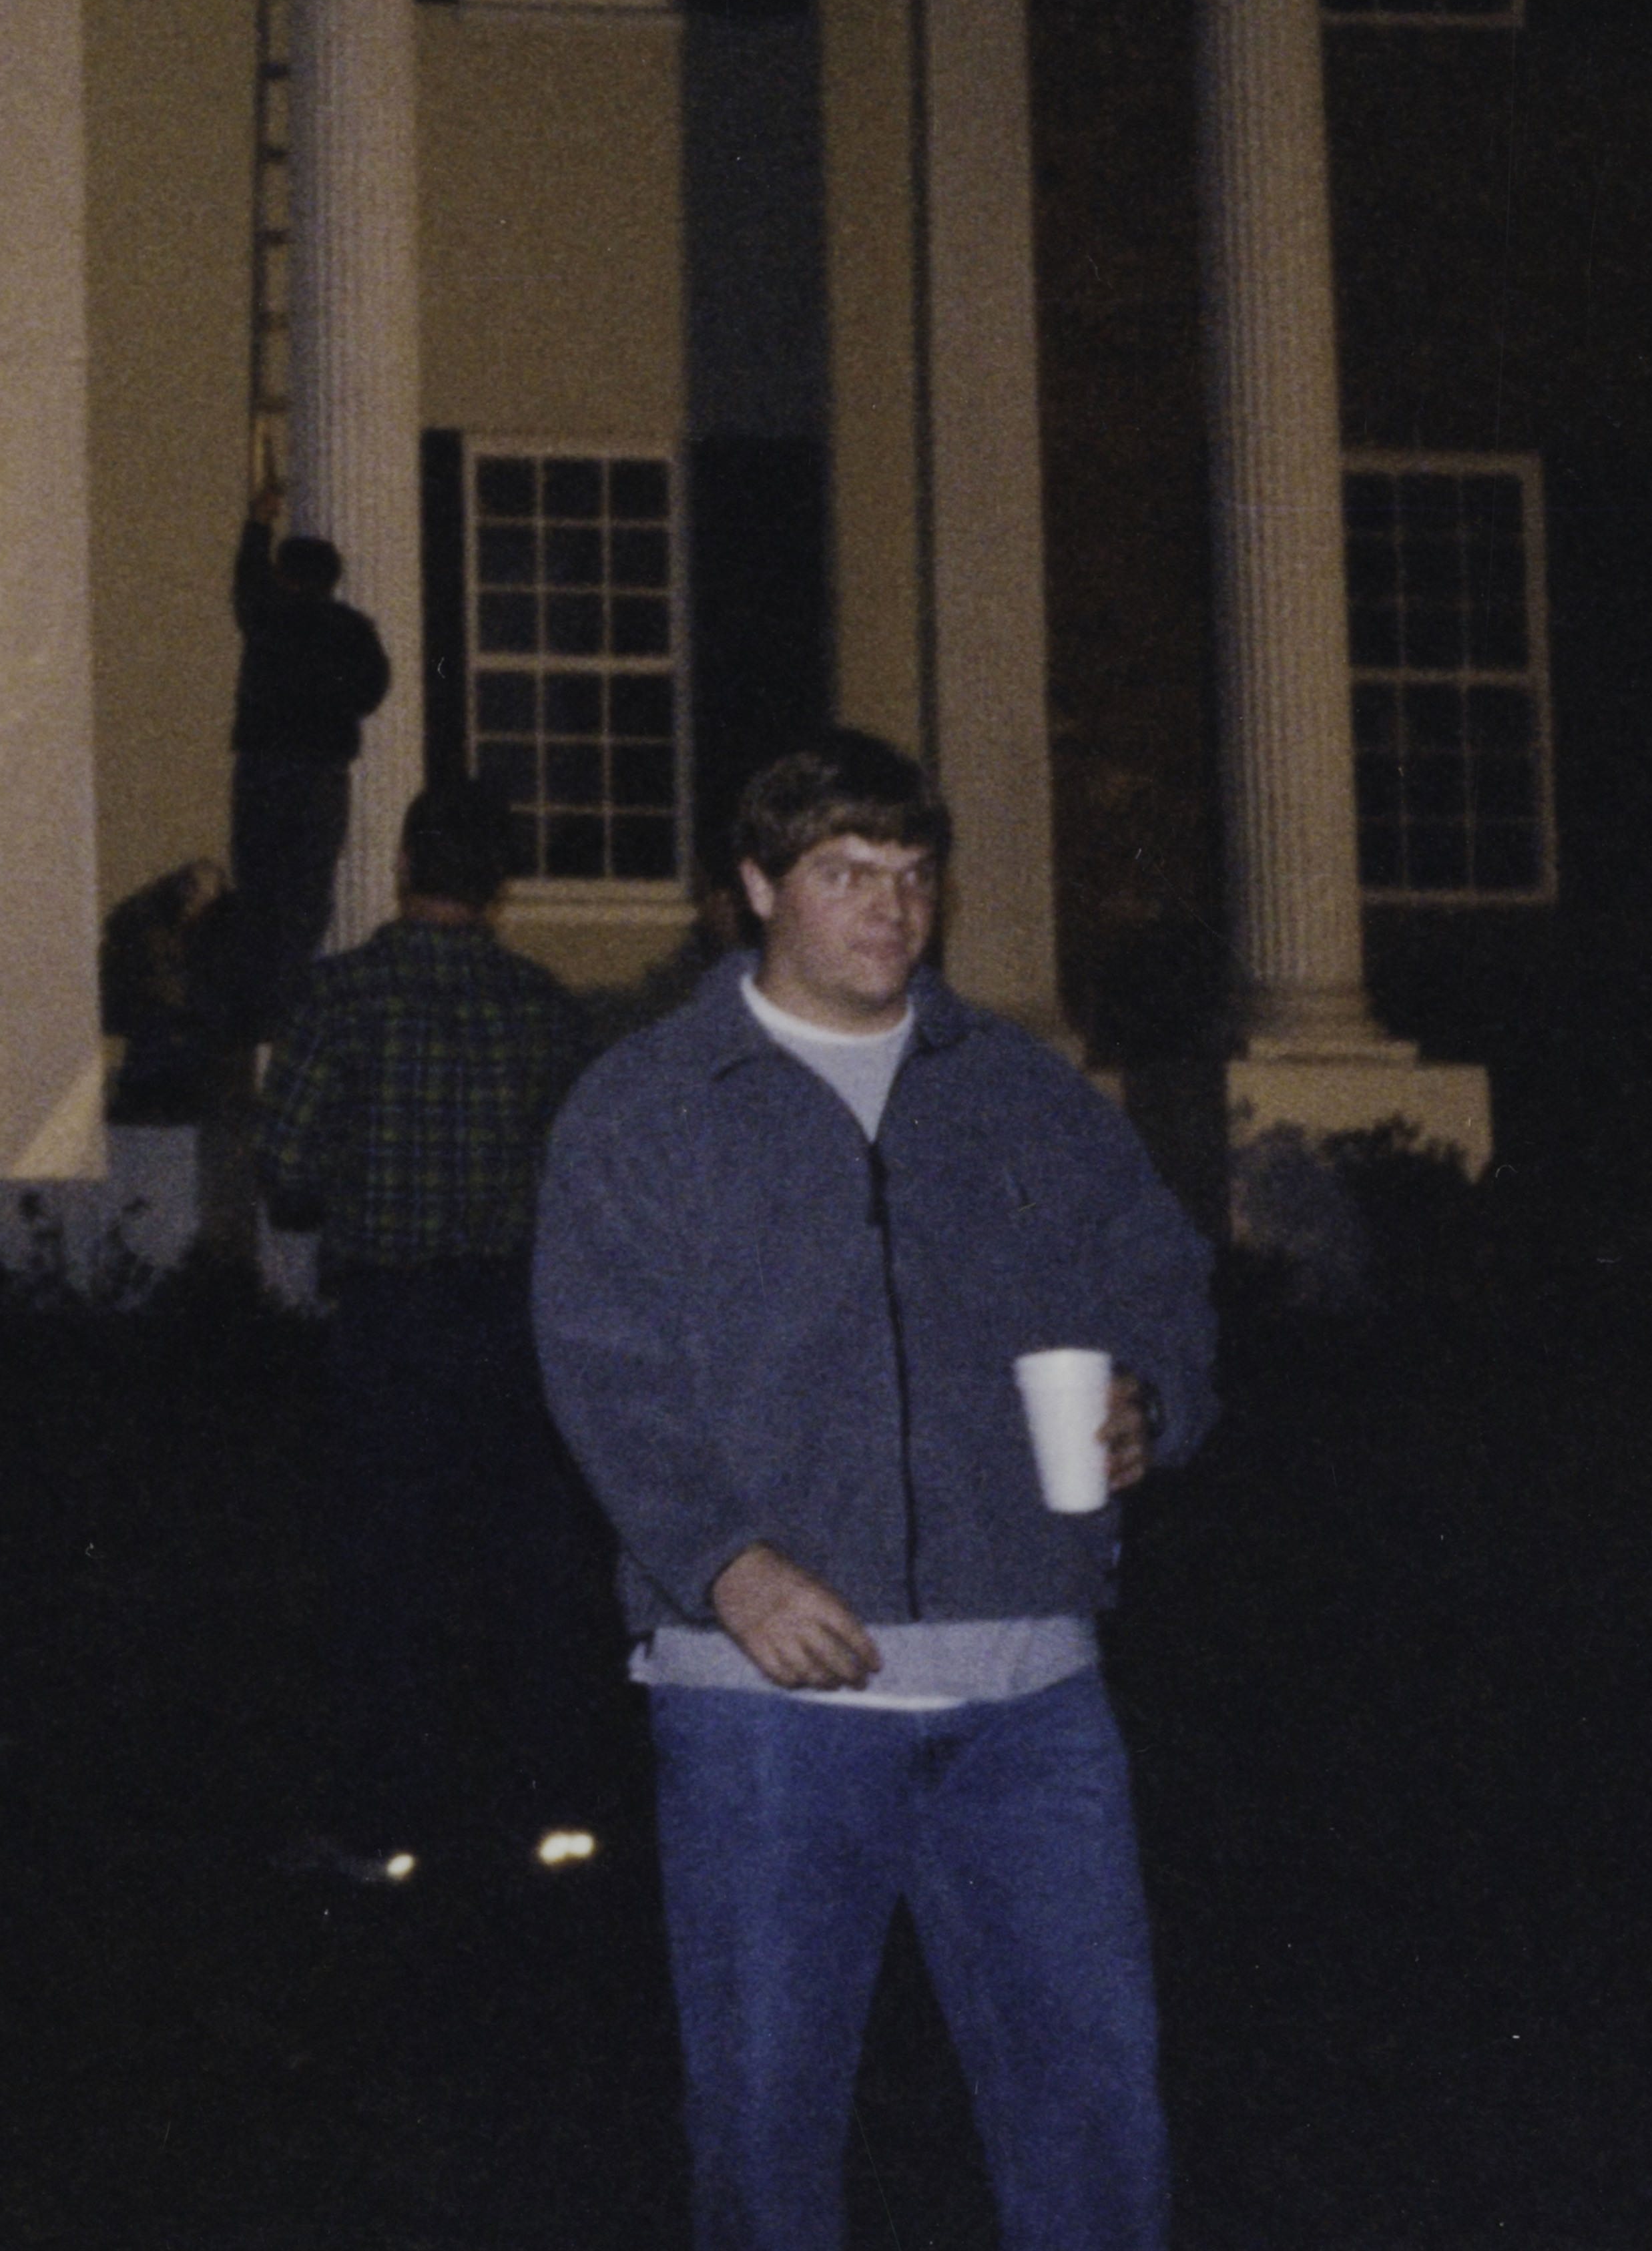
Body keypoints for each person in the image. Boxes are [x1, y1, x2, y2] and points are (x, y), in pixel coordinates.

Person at [531, 730, 1215, 2251]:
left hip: (1028, 1702)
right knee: (766, 2134)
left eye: (911, 875)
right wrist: (727, 1563)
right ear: (756, 886)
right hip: (768, 1707)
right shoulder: (646, 1107)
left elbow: (1152, 1264)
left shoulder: (1019, 1094)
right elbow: (598, 1359)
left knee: (1092, 2114)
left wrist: (1147, 1399)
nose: (888, 909)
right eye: (844, 873)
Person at [253, 780, 619, 1889]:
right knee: (531, 1578)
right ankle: (550, 1816)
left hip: (394, 1319)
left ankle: (379, 1830)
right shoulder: (541, 1006)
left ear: (407, 863)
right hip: (511, 1318)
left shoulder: (345, 995)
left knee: (384, 1576)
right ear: (499, 879)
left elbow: (284, 1170)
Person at [227, 479, 391, 1036]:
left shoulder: (270, 617)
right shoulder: (351, 630)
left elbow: (246, 587)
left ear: (286, 576)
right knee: (307, 893)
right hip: (322, 772)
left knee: (260, 889)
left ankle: (259, 1010)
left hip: (265, 767)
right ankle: (291, 1002)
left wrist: (258, 523)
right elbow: (373, 689)